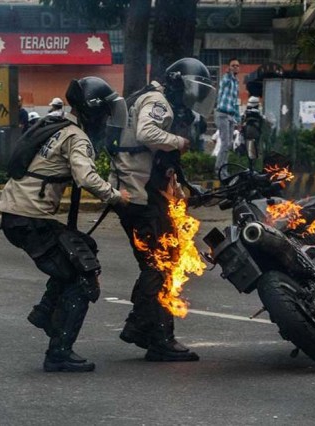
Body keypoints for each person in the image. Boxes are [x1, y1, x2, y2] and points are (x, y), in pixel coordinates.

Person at [0, 76, 130, 372]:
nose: (107, 120)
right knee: (82, 276)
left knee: (82, 249)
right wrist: (117, 197)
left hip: (19, 214)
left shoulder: (55, 124)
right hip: (28, 218)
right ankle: (59, 351)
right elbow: (86, 178)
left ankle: (46, 312)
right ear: (94, 111)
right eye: (105, 113)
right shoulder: (76, 136)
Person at [109, 57, 216, 362]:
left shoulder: (153, 98)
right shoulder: (157, 101)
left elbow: (157, 163)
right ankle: (147, 331)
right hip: (136, 198)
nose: (193, 98)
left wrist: (181, 192)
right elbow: (146, 134)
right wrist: (179, 141)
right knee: (159, 265)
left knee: (164, 262)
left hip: (141, 193)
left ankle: (152, 332)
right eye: (192, 89)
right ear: (179, 83)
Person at [214, 57, 241, 179]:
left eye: (237, 66)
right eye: (233, 65)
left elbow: (235, 103)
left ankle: (224, 170)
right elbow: (226, 80)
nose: (235, 67)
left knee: (229, 144)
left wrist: (239, 120)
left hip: (230, 116)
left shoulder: (236, 83)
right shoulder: (226, 79)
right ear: (229, 67)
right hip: (222, 114)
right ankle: (219, 170)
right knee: (225, 143)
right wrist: (228, 73)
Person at [239, 96, 265, 161]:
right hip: (256, 132)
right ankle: (256, 159)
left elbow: (241, 120)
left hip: (246, 132)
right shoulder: (258, 112)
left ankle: (247, 159)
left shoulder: (245, 112)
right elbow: (263, 120)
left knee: (246, 147)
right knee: (258, 147)